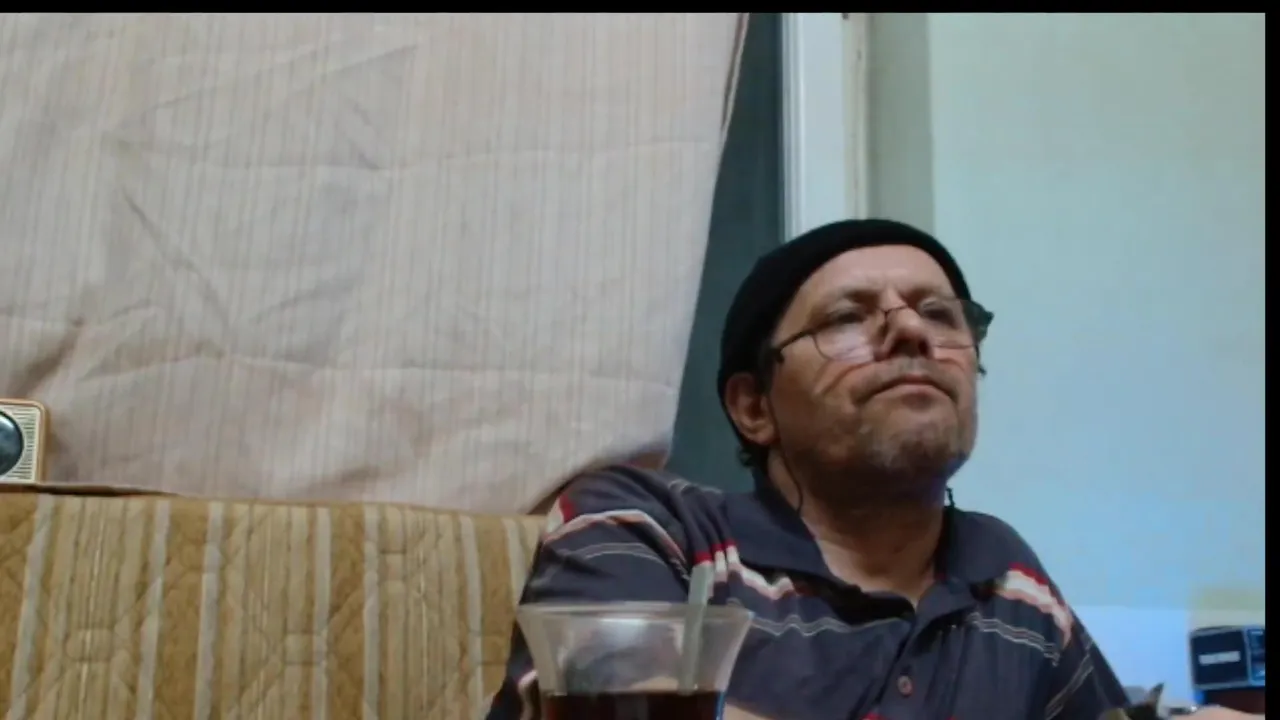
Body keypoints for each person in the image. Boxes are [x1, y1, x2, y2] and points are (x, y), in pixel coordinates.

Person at [485, 219, 1259, 720]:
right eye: (848, 318)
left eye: (941, 314)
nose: (912, 333)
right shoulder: (647, 525)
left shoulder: (1006, 578)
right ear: (754, 407)